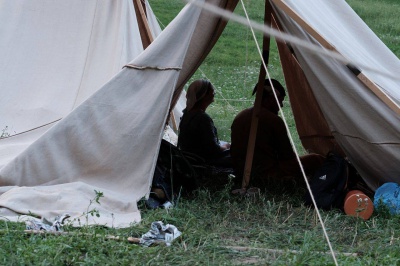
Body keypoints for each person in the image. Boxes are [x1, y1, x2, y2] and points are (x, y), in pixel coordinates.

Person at [230, 79, 324, 188]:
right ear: (271, 99)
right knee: (316, 159)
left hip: (240, 172)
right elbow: (287, 157)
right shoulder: (273, 121)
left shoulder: (240, 116)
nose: (281, 105)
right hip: (266, 174)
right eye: (280, 101)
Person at [178, 79, 231, 168]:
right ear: (204, 96)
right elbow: (214, 150)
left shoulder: (187, 113)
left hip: (190, 157)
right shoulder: (202, 118)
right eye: (211, 91)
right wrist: (227, 146)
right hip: (203, 161)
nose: (214, 92)